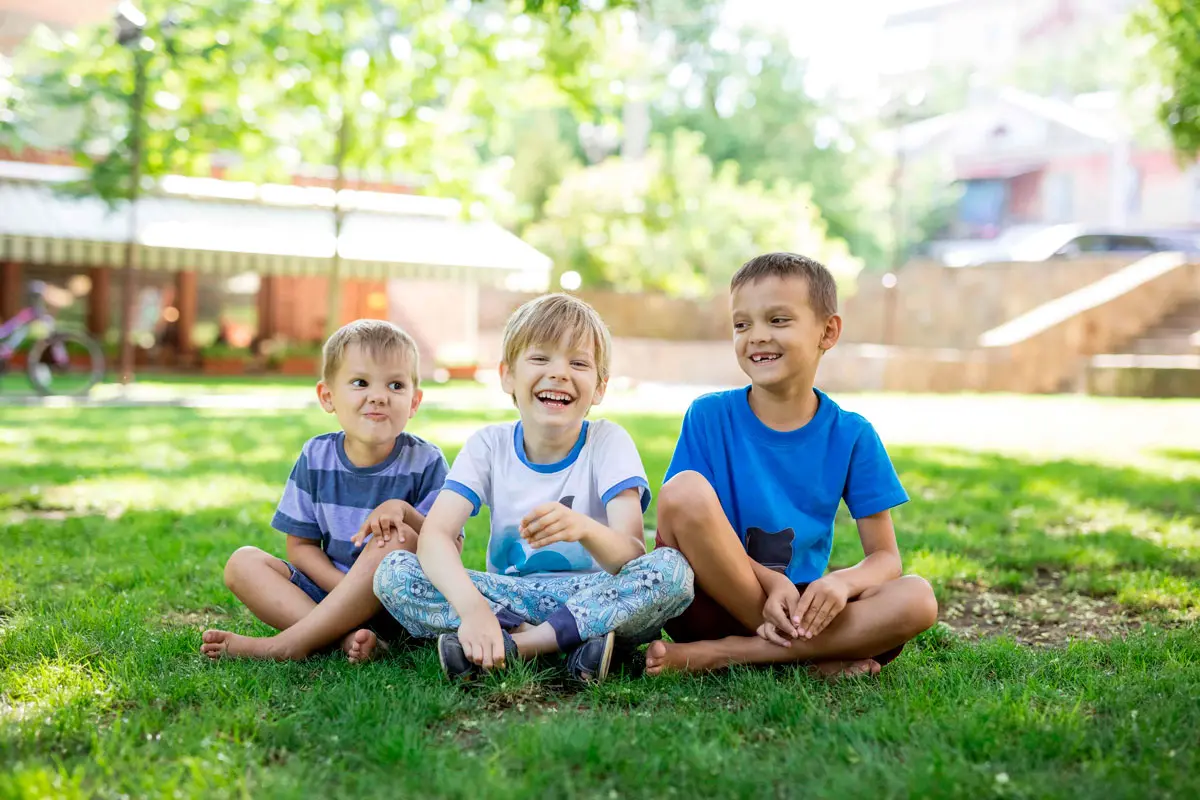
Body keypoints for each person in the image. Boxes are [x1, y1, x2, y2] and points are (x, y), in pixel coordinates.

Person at [371, 293, 694, 684]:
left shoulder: (608, 442)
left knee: (672, 571)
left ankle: (518, 646)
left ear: (599, 388)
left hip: (596, 594)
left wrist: (585, 529)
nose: (558, 373)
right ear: (507, 375)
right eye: (540, 359)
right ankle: (568, 644)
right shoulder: (488, 445)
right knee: (395, 572)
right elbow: (436, 536)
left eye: (578, 363)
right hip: (509, 597)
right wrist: (474, 610)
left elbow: (629, 556)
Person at [643, 252, 939, 678]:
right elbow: (678, 517)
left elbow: (885, 559)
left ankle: (731, 654)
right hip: (713, 601)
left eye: (778, 320)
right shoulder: (708, 416)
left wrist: (841, 583)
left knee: (917, 597)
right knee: (684, 489)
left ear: (828, 331)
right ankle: (817, 658)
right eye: (742, 324)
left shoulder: (853, 435)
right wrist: (769, 581)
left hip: (800, 610)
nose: (757, 336)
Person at [199, 319, 447, 662]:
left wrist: (403, 513)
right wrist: (341, 591)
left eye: (395, 385)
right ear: (327, 396)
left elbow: (449, 544)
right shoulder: (315, 456)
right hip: (326, 590)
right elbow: (300, 546)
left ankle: (288, 644)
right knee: (242, 562)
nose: (378, 396)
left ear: (414, 401)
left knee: (397, 536)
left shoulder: (426, 460)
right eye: (360, 382)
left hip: (396, 599)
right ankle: (343, 637)